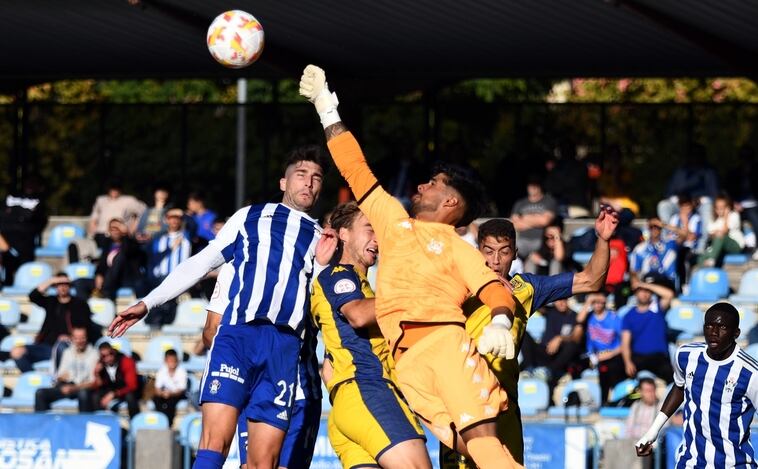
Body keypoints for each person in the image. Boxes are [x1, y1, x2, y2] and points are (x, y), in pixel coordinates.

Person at [301, 64, 523, 468]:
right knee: (469, 449)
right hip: (406, 365)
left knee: (483, 444)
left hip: (443, 343)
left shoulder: (458, 247)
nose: (422, 186)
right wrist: (325, 108)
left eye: (434, 184)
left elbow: (493, 288)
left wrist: (501, 320)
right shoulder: (394, 222)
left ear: (452, 203)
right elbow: (356, 169)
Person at [109, 144, 332, 469]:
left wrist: (324, 266)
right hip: (238, 338)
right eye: (301, 175)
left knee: (263, 463)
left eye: (316, 177)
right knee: (214, 443)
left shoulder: (319, 237)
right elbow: (201, 262)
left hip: (284, 348)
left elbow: (323, 303)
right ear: (283, 182)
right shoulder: (249, 216)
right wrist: (147, 303)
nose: (309, 183)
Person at [440, 209, 617, 467]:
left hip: (503, 407)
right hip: (459, 404)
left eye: (504, 252)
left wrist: (603, 239)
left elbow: (591, 280)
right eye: (488, 251)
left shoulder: (527, 288)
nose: (495, 261)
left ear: (514, 254)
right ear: (477, 251)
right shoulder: (456, 286)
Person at [311, 202, 430, 468]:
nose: (377, 239)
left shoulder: (362, 288)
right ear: (344, 234)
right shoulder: (340, 275)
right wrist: (418, 295)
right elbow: (357, 314)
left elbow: (329, 365)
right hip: (368, 391)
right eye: (369, 229)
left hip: (348, 403)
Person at [201, 261, 323, 469]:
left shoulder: (316, 264)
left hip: (281, 390)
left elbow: (212, 331)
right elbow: (211, 331)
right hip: (281, 388)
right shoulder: (314, 263)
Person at [635, 302, 758, 468]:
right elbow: (679, 387)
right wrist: (653, 431)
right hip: (690, 462)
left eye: (722, 327)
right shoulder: (686, 355)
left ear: (736, 333)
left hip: (733, 464)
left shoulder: (750, 373)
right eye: (709, 326)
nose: (714, 333)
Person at [12, 273, 94, 372]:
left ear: (69, 285)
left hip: (69, 347)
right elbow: (33, 296)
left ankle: (59, 382)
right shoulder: (51, 301)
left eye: (65, 284)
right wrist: (51, 281)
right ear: (55, 286)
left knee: (61, 346)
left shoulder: (80, 304)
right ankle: (35, 378)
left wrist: (71, 337)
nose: (62, 287)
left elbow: (85, 326)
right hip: (47, 347)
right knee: (16, 352)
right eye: (59, 284)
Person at [519, 298, 582, 400]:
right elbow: (536, 303)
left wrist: (560, 338)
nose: (561, 302)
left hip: (559, 357)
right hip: (544, 351)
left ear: (568, 300)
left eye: (564, 300)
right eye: (558, 300)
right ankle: (529, 368)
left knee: (573, 345)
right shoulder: (551, 311)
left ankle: (549, 371)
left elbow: (577, 337)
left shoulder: (574, 316)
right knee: (523, 333)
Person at [621, 277, 675, 383]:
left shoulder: (658, 309)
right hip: (638, 357)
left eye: (647, 291)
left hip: (658, 357)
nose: (644, 294)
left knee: (673, 379)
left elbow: (669, 294)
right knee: (624, 377)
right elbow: (625, 342)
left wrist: (644, 284)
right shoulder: (628, 316)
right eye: (641, 291)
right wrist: (627, 362)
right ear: (635, 294)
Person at [576, 291, 625, 405]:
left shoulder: (614, 318)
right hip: (593, 355)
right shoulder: (589, 317)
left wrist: (610, 354)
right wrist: (588, 301)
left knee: (606, 371)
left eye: (600, 302)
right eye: (594, 302)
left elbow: (625, 343)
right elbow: (578, 320)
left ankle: (606, 401)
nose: (597, 305)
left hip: (612, 354)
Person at [34, 326, 98, 412]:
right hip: (67, 386)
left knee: (84, 394)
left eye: (82, 338)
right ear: (72, 339)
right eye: (76, 338)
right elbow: (61, 375)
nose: (79, 341)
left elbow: (93, 382)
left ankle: (83, 423)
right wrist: (61, 379)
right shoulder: (67, 352)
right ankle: (43, 423)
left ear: (87, 338)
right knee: (40, 393)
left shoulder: (94, 354)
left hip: (82, 388)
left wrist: (74, 387)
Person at [0, 176, 47, 286]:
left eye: (33, 183)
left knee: (23, 267)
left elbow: (36, 219)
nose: (29, 186)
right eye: (27, 183)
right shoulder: (10, 198)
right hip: (5, 241)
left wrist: (15, 212)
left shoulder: (39, 202)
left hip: (25, 244)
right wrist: (23, 213)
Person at [92, 218, 144, 300]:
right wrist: (99, 274)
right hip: (108, 278)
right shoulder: (107, 244)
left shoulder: (130, 243)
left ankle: (105, 292)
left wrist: (126, 234)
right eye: (112, 228)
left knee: (119, 257)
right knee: (80, 282)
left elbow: (129, 251)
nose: (115, 231)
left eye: (118, 228)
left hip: (125, 278)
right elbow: (102, 263)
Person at [88, 178, 146, 250]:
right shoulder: (101, 200)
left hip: (119, 235)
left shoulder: (128, 200)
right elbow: (93, 219)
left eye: (116, 189)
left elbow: (143, 211)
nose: (114, 191)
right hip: (102, 234)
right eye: (112, 189)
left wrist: (133, 227)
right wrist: (91, 234)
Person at [510, 175, 558, 260]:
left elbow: (545, 221)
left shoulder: (549, 201)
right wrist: (536, 220)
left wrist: (524, 218)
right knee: (511, 253)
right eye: (530, 185)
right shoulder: (520, 203)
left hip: (541, 242)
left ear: (540, 186)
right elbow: (514, 225)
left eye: (535, 185)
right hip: (522, 241)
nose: (532, 187)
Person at [92, 341, 140, 418]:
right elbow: (97, 386)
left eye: (110, 354)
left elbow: (132, 386)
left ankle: (134, 420)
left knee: (130, 397)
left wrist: (114, 394)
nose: (108, 358)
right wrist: (97, 374)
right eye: (104, 356)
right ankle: (100, 420)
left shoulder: (126, 361)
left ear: (114, 351)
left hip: (125, 390)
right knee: (95, 396)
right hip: (110, 389)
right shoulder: (100, 365)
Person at [630, 217, 678, 289]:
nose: (654, 229)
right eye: (651, 227)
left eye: (657, 227)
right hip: (648, 284)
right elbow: (633, 271)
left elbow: (685, 236)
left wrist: (664, 225)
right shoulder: (639, 248)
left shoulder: (670, 244)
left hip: (667, 284)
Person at [699, 194, 745, 267]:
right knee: (701, 257)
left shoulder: (734, 215)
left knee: (721, 236)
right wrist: (716, 233)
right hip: (718, 248)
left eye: (722, 207)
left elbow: (724, 231)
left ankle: (712, 259)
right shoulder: (714, 219)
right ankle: (704, 276)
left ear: (728, 207)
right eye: (717, 208)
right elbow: (710, 234)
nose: (719, 210)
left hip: (735, 246)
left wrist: (726, 217)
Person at [153, 349, 187, 426]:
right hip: (164, 394)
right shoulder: (161, 371)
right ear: (165, 360)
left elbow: (181, 390)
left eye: (173, 360)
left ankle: (168, 424)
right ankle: (160, 423)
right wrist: (162, 394)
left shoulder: (181, 371)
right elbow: (157, 388)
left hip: (176, 395)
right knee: (156, 400)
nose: (172, 362)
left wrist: (170, 394)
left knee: (170, 403)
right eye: (169, 360)